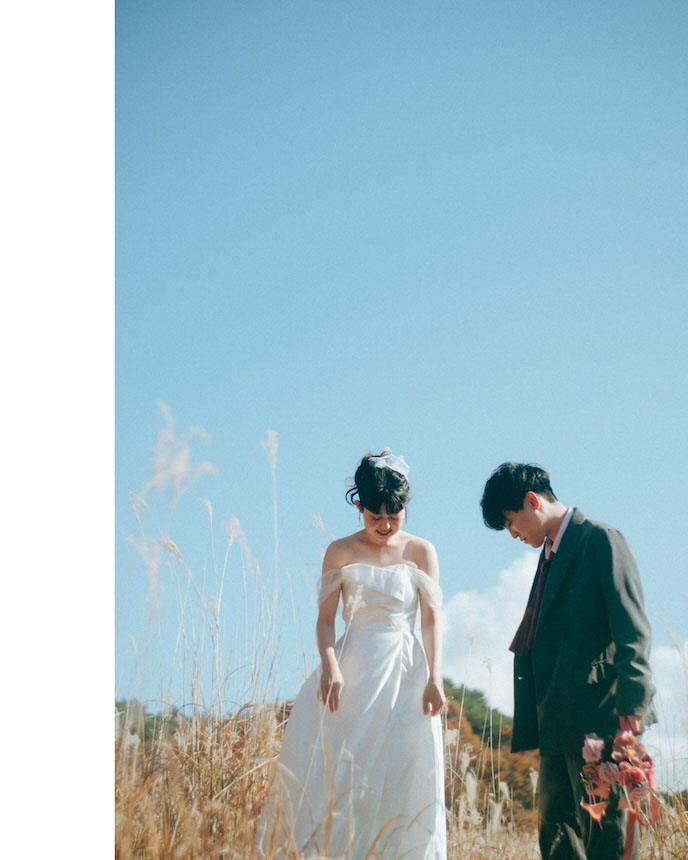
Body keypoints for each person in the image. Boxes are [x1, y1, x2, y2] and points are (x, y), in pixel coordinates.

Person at [257, 450, 447, 858]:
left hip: (406, 672)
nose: (385, 525)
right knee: (343, 770)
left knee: (405, 770)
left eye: (394, 515)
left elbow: (432, 621)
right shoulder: (339, 551)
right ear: (359, 506)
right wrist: (330, 666)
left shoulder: (421, 551)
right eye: (375, 516)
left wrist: (435, 677)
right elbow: (326, 620)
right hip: (352, 668)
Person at [480, 463, 656, 860]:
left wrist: (632, 707)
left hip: (602, 715)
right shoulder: (548, 555)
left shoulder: (600, 540)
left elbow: (632, 629)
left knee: (607, 837)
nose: (512, 533)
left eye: (510, 522)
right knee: (557, 839)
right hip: (556, 721)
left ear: (532, 500)